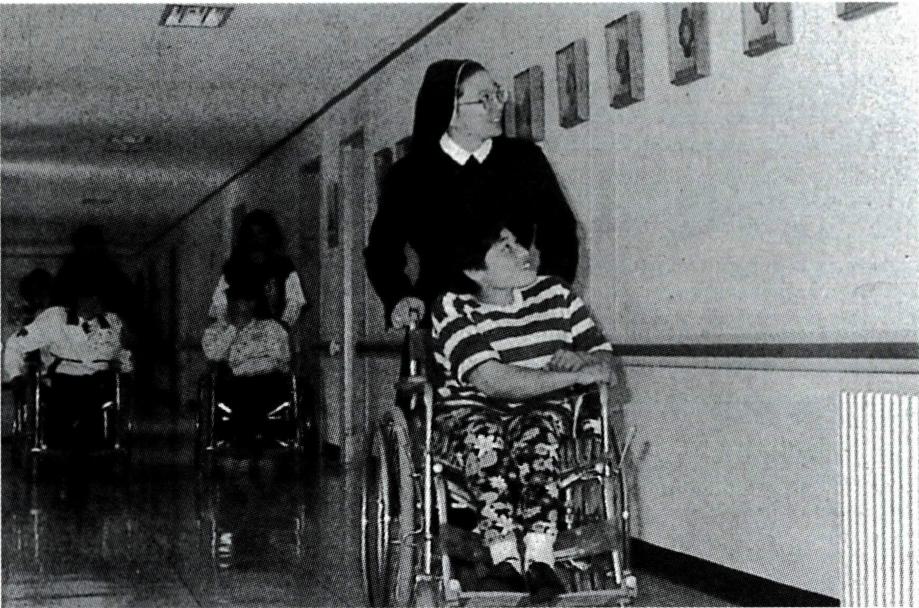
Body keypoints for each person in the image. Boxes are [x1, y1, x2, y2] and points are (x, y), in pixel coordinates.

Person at [431, 213, 614, 601]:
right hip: (472, 411)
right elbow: (494, 381)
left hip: (540, 412)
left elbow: (604, 362)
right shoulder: (452, 308)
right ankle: (504, 559)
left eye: (519, 243)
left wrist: (581, 360)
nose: (523, 253)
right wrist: (570, 378)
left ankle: (539, 557)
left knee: (537, 434)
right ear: (474, 271)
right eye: (506, 248)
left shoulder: (557, 295)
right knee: (485, 437)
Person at [365, 59, 579, 329]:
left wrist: (543, 301)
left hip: (519, 320)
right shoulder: (408, 176)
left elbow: (561, 234)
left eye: (497, 93)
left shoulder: (525, 160)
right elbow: (381, 254)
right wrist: (400, 297)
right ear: (450, 111)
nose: (498, 105)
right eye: (484, 98)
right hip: (442, 322)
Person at [3, 274, 133, 450]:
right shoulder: (55, 318)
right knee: (62, 421)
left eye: (99, 297)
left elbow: (123, 353)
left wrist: (126, 370)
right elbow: (16, 344)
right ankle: (62, 445)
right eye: (90, 296)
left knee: (100, 414)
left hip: (100, 383)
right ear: (78, 299)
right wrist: (15, 375)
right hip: (64, 382)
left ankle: (100, 444)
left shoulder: (112, 321)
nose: (96, 302)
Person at [202, 280, 291, 452]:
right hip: (235, 383)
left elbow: (282, 358)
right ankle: (248, 438)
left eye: (245, 301)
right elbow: (213, 355)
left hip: (268, 382)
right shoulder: (217, 330)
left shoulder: (271, 328)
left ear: (254, 303)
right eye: (233, 301)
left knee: (261, 388)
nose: (238, 306)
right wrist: (233, 330)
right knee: (239, 389)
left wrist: (256, 365)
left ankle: (249, 438)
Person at [208, 209, 306, 329]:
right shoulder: (234, 267)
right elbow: (219, 301)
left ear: (270, 235)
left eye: (261, 233)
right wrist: (227, 326)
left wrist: (282, 326)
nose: (256, 239)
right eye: (251, 234)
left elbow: (295, 301)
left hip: (273, 332)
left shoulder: (283, 265)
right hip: (240, 332)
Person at [52, 225, 137, 329]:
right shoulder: (70, 269)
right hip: (79, 315)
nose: (89, 250)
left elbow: (124, 295)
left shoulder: (108, 269)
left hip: (99, 311)